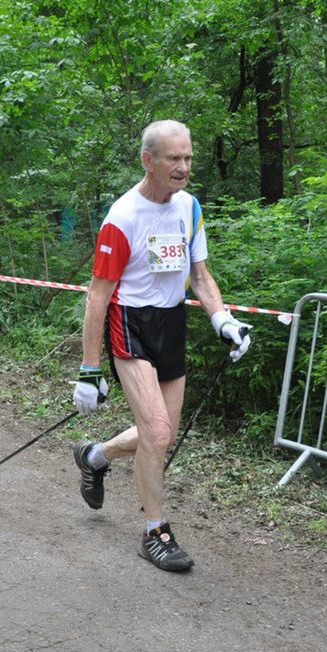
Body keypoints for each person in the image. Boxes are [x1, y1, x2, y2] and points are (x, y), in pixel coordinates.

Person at [71, 120, 252, 572]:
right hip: (130, 322)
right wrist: (90, 369)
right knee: (155, 433)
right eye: (174, 158)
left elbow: (200, 275)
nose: (183, 167)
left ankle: (95, 456)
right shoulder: (123, 217)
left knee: (163, 434)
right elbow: (98, 296)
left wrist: (223, 320)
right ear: (147, 161)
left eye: (188, 157)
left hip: (171, 322)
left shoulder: (189, 207)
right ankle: (156, 531)